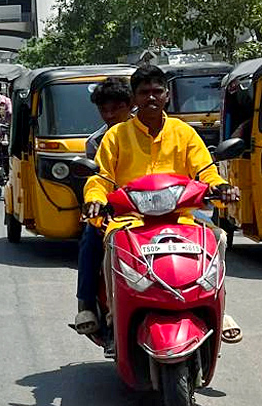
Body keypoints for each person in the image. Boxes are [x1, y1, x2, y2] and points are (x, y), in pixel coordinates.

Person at [82, 64, 242, 342]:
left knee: (217, 238)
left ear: (167, 96)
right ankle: (111, 318)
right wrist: (95, 200)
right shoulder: (116, 136)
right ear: (134, 98)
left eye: (158, 91)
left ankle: (218, 305)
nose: (152, 97)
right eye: (145, 92)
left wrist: (221, 187)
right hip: (129, 219)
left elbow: (205, 171)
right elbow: (102, 178)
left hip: (180, 216)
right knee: (109, 245)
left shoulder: (184, 133)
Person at [74, 77, 133, 333]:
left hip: (161, 209)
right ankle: (85, 304)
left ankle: (217, 306)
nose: (109, 115)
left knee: (208, 234)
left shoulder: (158, 133)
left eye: (115, 108)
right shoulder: (96, 142)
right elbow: (96, 181)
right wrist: (96, 203)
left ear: (130, 106)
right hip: (116, 212)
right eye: (103, 110)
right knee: (90, 238)